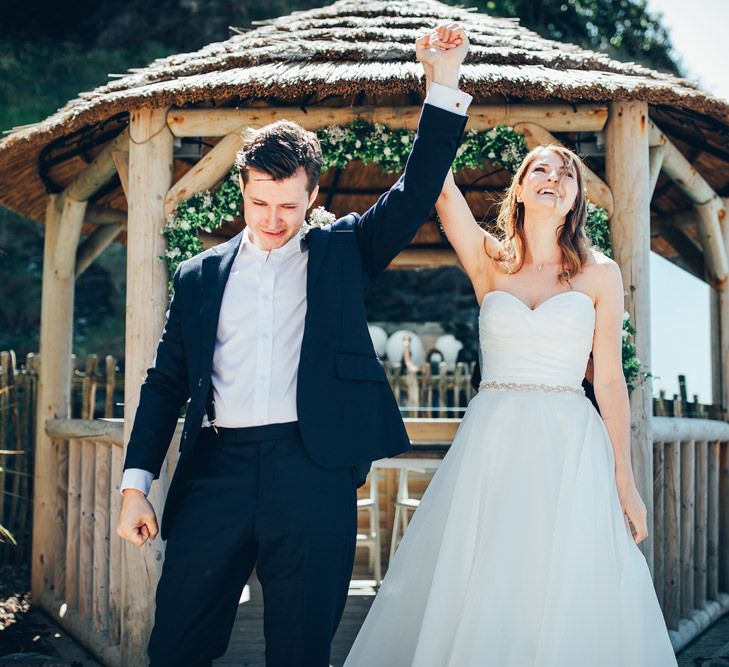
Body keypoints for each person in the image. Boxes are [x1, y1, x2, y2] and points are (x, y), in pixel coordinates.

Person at [115, 24, 472, 667]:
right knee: (175, 647)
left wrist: (442, 81)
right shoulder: (200, 275)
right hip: (215, 472)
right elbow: (164, 383)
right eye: (259, 203)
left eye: (287, 204)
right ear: (242, 191)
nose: (273, 219)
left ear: (312, 196)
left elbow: (415, 190)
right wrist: (135, 484)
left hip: (312, 469)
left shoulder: (342, 253)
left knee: (301, 650)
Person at [344, 29, 678, 667]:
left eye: (565, 172)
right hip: (493, 436)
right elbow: (436, 186)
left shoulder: (600, 275)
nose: (553, 176)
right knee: (483, 576)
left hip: (569, 443)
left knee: (565, 580)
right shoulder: (489, 263)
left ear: (576, 198)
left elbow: (608, 381)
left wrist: (624, 481)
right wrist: (439, 77)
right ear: (519, 190)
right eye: (539, 169)